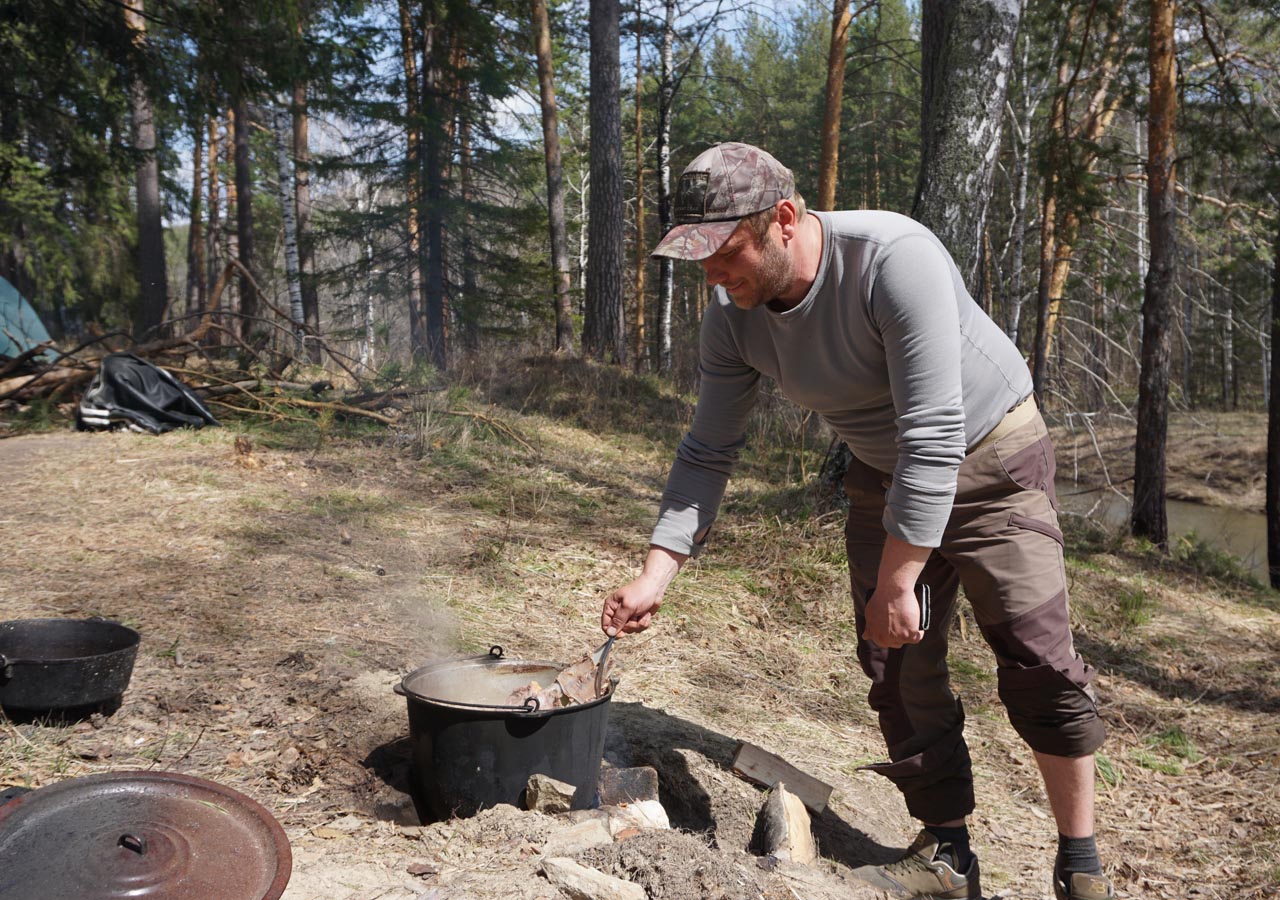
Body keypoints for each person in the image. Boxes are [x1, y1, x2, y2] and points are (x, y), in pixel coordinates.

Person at [599, 142, 1114, 900]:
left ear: (781, 220)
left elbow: (935, 432)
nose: (711, 274)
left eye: (724, 252)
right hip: (882, 472)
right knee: (896, 665)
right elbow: (708, 450)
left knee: (1037, 662)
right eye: (697, 257)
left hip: (991, 458)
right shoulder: (733, 319)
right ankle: (948, 854)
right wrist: (655, 572)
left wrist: (901, 578)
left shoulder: (891, 257)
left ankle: (1081, 863)